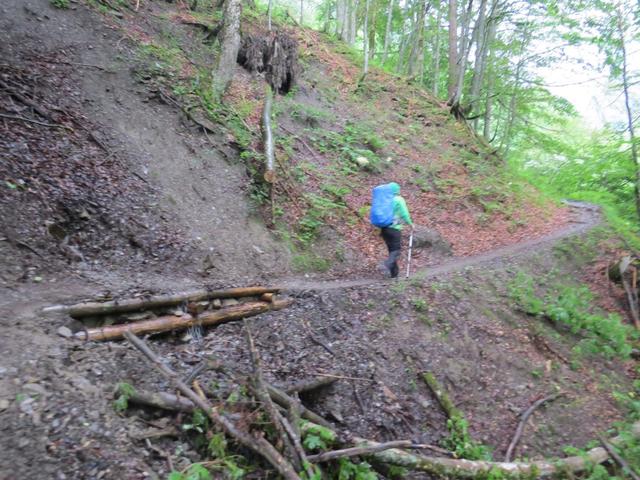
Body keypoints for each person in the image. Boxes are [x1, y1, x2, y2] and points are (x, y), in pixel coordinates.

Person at [379, 182, 413, 278]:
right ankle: (388, 263)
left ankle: (394, 274)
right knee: (396, 250)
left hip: (384, 229)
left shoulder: (385, 199)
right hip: (394, 229)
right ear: (397, 190)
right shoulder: (398, 199)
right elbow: (404, 213)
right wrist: (410, 224)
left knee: (392, 251)